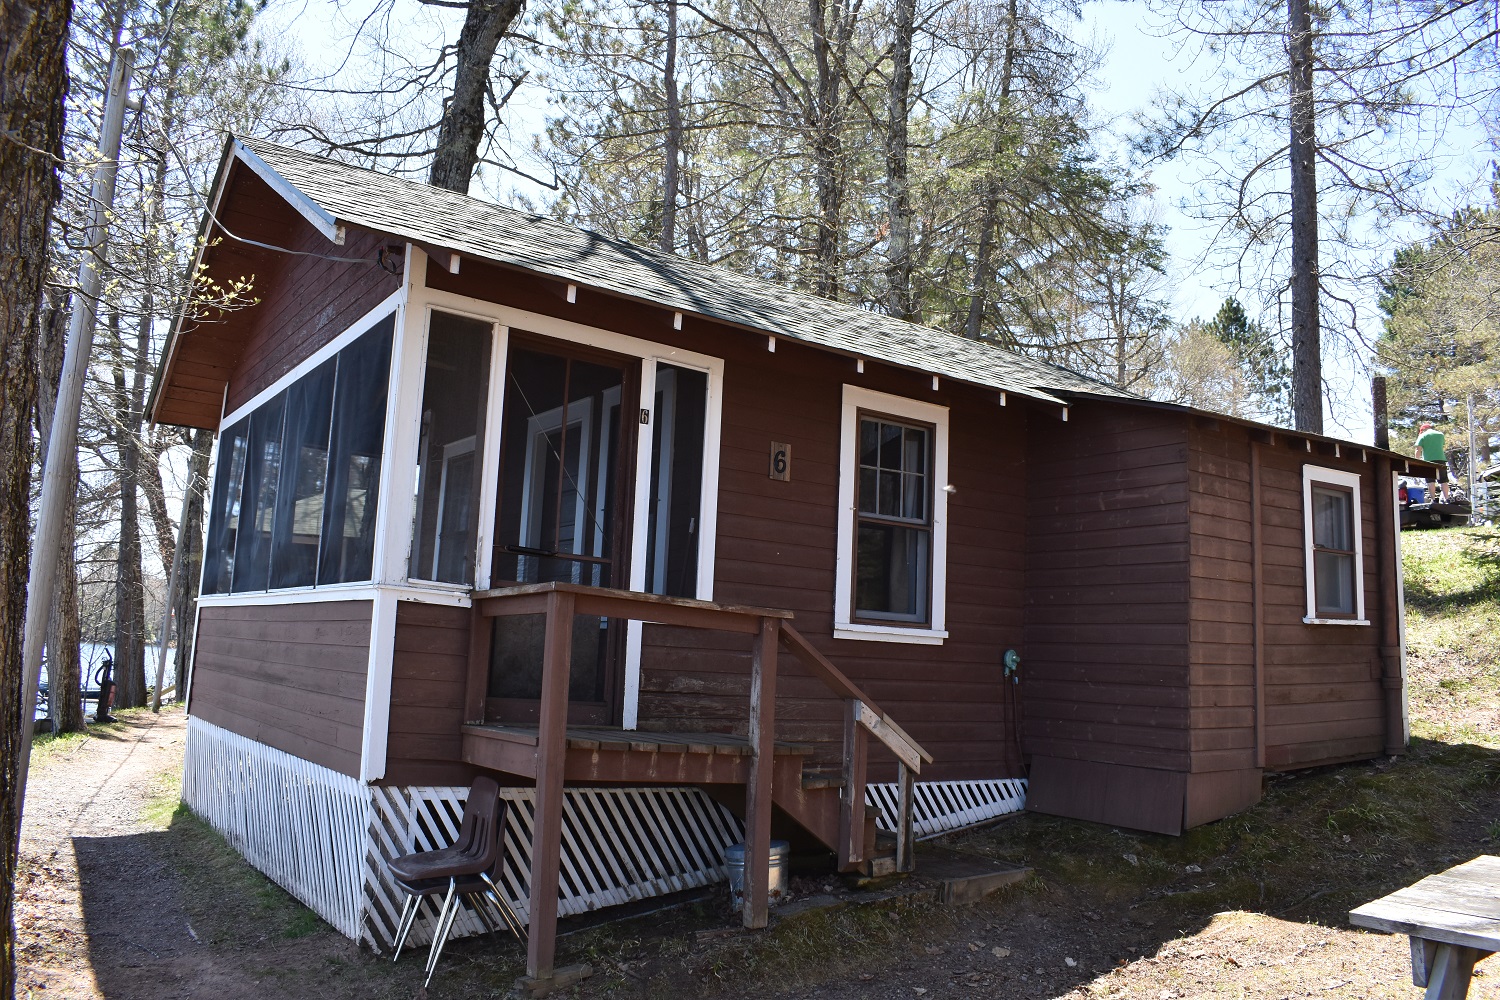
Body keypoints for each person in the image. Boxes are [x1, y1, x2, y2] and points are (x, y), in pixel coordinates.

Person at [1415, 421, 1450, 502]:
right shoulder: (1440, 435)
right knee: (1443, 480)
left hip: (1428, 461)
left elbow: (1418, 450)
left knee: (1430, 481)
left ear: (1423, 430)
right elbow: (1441, 445)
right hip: (1441, 460)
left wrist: (1417, 462)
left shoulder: (1422, 435)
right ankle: (1447, 499)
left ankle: (1433, 499)